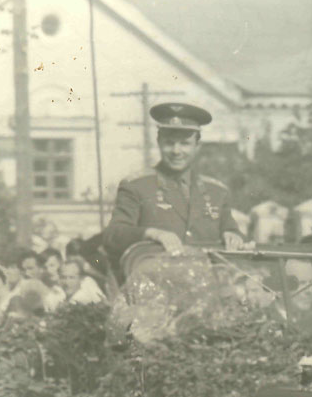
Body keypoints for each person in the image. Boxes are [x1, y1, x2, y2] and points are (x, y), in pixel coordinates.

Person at [102, 102, 243, 275]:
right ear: (159, 143)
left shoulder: (217, 192)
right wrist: (152, 233)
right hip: (155, 291)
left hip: (208, 290)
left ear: (197, 147)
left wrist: (233, 236)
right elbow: (114, 234)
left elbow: (231, 230)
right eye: (169, 143)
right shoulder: (136, 186)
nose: (176, 151)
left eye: (185, 143)